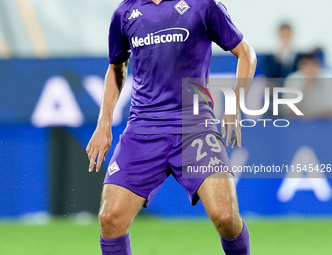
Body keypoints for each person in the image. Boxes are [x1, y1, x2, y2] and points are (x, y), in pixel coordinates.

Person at [86, 0, 257, 254]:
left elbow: (246, 54)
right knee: (110, 218)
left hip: (194, 126)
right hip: (143, 128)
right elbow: (116, 66)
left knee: (226, 217)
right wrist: (104, 123)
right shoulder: (124, 12)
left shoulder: (203, 5)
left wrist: (235, 105)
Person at [282, 52, 332, 118]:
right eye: (306, 65)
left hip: (323, 122)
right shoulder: (293, 80)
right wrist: (305, 88)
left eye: (313, 65)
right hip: (299, 122)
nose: (310, 69)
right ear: (300, 67)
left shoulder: (328, 79)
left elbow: (329, 110)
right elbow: (287, 111)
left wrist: (312, 116)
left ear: (320, 65)